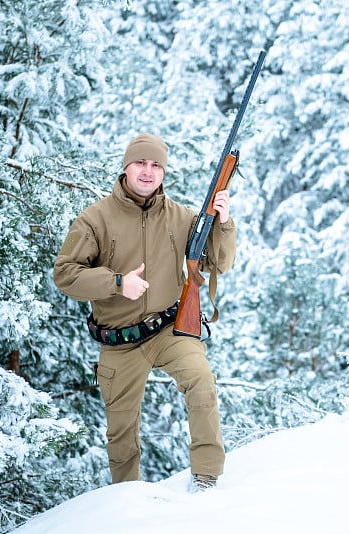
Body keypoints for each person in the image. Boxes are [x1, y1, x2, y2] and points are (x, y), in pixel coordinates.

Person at [53, 133, 236, 491]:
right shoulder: (95, 220)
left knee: (201, 382)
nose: (148, 172)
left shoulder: (182, 216)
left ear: (164, 172)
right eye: (140, 163)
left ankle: (207, 478)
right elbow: (65, 274)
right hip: (119, 340)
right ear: (126, 168)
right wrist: (117, 283)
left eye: (156, 165)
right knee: (121, 433)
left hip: (170, 330)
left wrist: (224, 223)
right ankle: (126, 503)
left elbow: (220, 264)